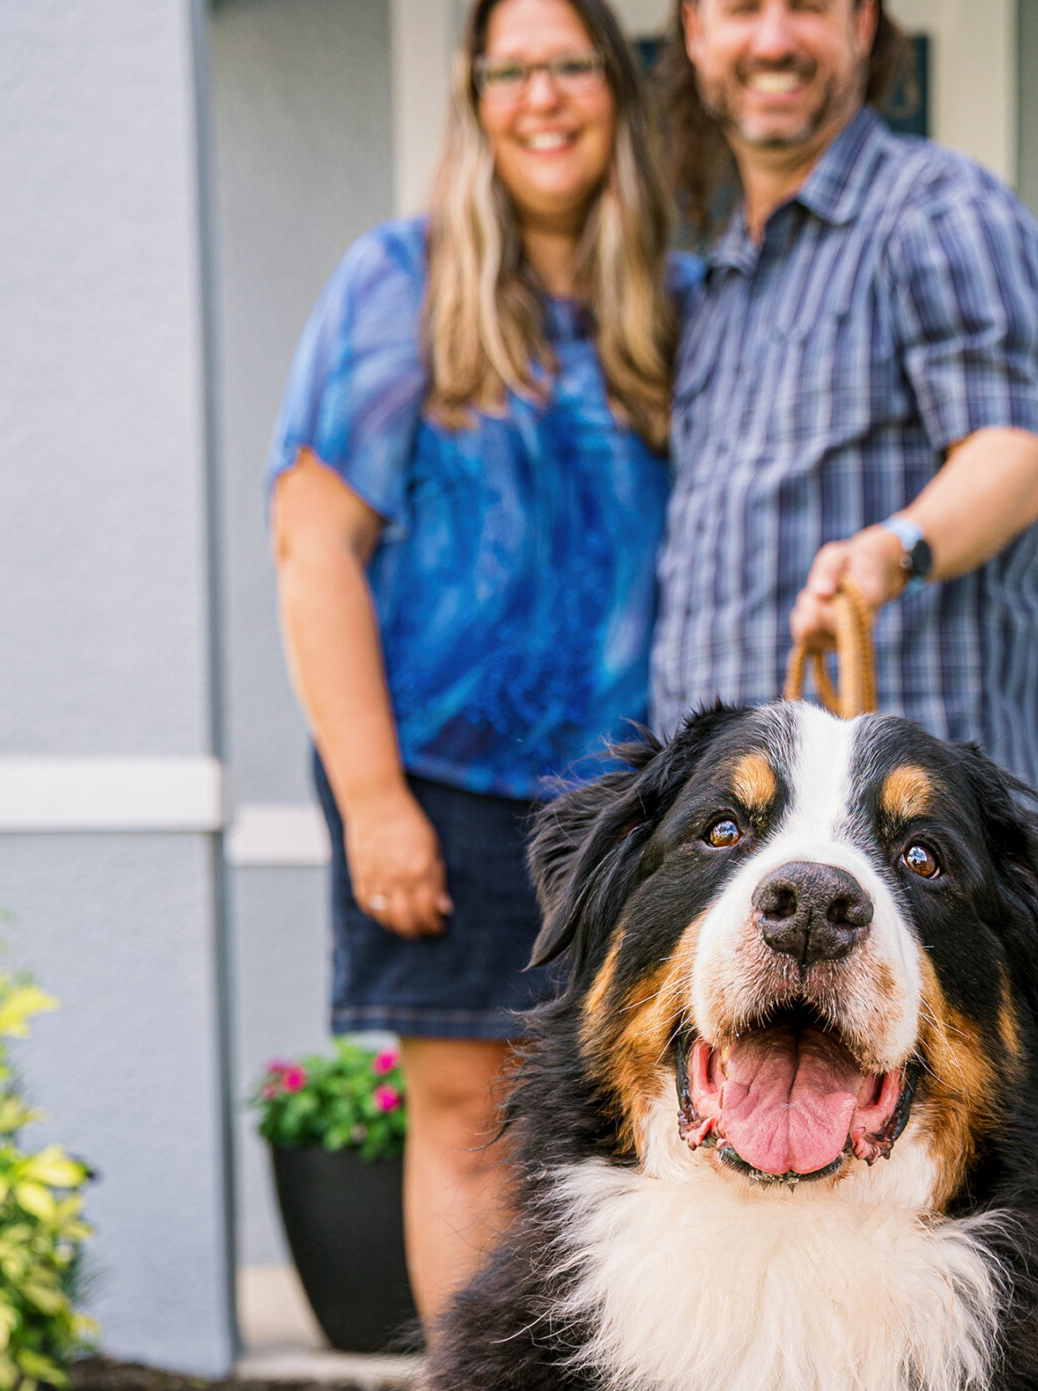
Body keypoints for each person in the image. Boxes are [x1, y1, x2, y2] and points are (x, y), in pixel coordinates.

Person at [268, 0, 686, 1324]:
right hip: (441, 778)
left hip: (635, 802)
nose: (542, 96)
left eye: (570, 65)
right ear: (475, 95)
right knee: (463, 1118)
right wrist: (377, 799)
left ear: (616, 92)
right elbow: (311, 547)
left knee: (638, 1127)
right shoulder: (400, 280)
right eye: (510, 70)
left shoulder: (670, 303)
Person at [651, 0, 1038, 801]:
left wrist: (893, 552)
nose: (774, 40)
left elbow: (1012, 460)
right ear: (694, 31)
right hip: (744, 838)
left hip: (918, 840)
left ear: (861, 25)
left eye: (807, 8)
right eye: (742, 9)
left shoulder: (939, 214)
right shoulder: (717, 286)